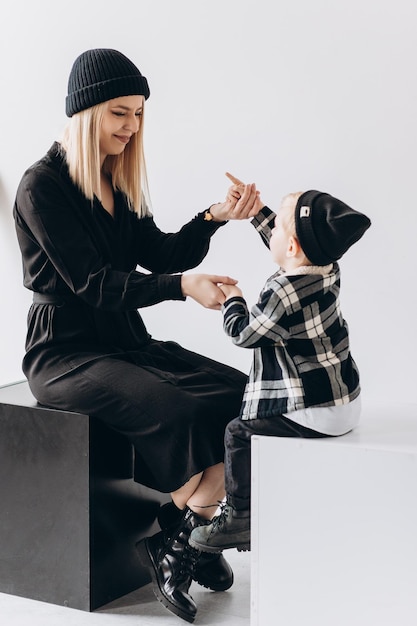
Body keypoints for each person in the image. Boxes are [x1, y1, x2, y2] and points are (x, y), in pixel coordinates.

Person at [12, 49, 262, 624]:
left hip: (124, 339)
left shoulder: (115, 183)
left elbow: (159, 254)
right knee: (177, 410)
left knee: (243, 398)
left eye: (140, 114)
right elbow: (96, 285)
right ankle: (188, 542)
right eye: (120, 113)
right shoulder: (40, 186)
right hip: (65, 353)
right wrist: (180, 288)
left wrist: (215, 217)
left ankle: (181, 540)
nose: (132, 127)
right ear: (85, 113)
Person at [189, 184, 371, 555]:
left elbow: (243, 334)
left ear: (291, 248)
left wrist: (233, 301)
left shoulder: (284, 292)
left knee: (238, 432)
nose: (273, 232)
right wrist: (257, 212)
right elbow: (289, 242)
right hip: (343, 400)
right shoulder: (326, 268)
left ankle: (241, 518)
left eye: (280, 227)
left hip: (313, 409)